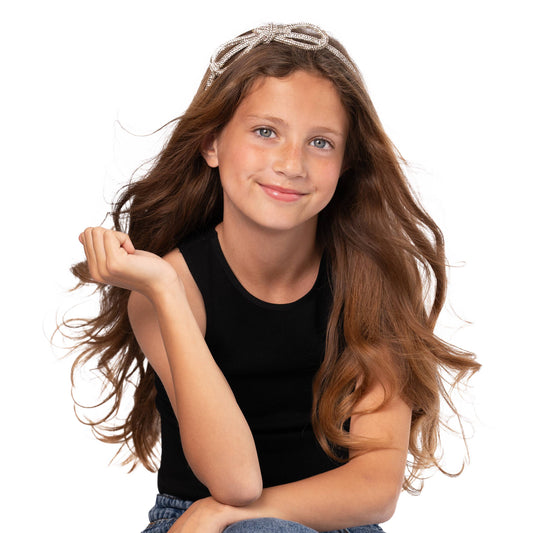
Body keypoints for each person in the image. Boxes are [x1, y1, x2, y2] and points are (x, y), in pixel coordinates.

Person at [70, 23, 480, 533]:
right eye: (266, 132)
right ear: (211, 143)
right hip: (200, 523)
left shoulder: (375, 281)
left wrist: (236, 511)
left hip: (334, 522)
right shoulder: (171, 286)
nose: (291, 164)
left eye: (321, 142)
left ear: (346, 163)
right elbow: (235, 483)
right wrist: (164, 291)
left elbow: (376, 488)